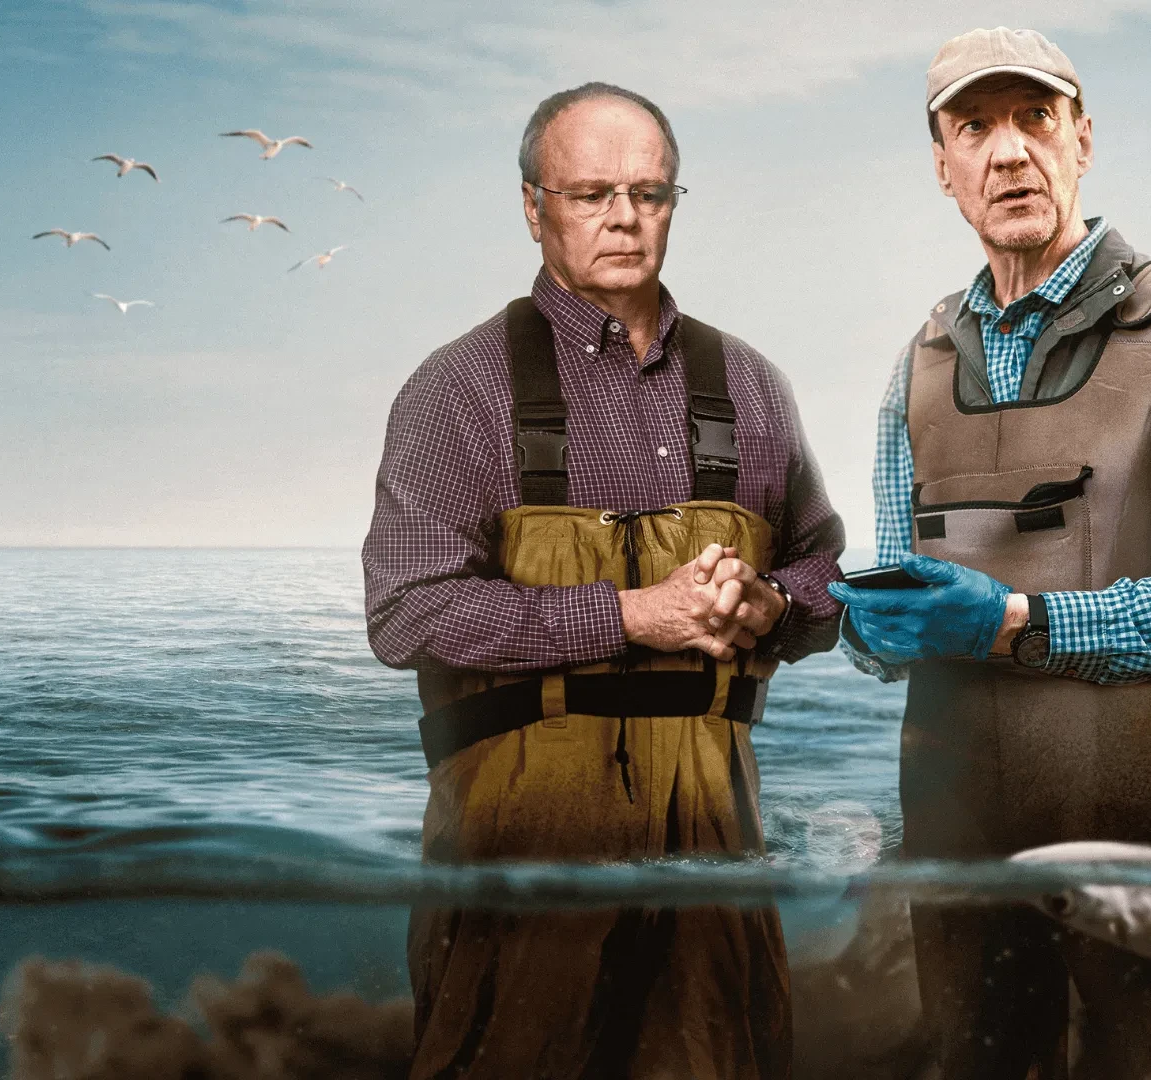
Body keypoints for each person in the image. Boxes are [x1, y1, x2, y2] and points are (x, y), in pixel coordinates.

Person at [828, 26, 1151, 1078]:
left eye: (1035, 119)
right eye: (975, 127)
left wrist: (1018, 626)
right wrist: (861, 625)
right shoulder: (916, 364)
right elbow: (896, 615)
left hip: (1144, 852)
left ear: (1083, 138)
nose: (1008, 152)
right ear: (942, 168)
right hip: (957, 860)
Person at [360, 82, 844, 1078]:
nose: (626, 217)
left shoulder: (752, 386)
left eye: (650, 192)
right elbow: (407, 612)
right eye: (592, 194)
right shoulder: (457, 390)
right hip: (517, 859)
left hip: (714, 859)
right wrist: (632, 615)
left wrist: (776, 605)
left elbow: (824, 571)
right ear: (533, 207)